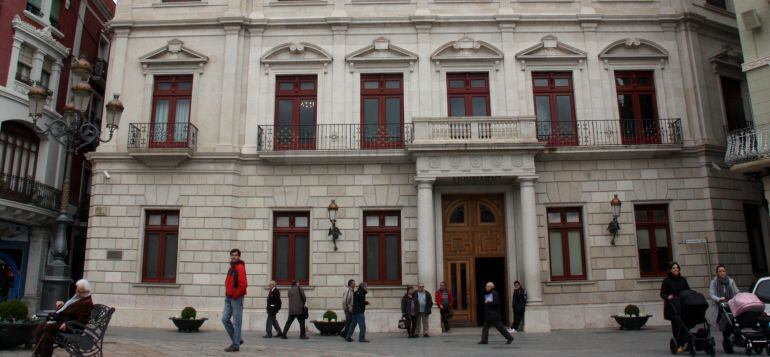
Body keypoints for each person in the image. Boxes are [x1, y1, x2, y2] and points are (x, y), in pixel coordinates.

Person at [33, 279, 94, 357]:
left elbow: (82, 320)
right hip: (65, 321)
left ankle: (44, 354)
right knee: (42, 326)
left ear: (85, 292)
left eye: (79, 291)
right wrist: (63, 305)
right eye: (76, 289)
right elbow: (72, 309)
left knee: (48, 327)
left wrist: (67, 325)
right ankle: (39, 353)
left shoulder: (86, 303)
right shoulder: (80, 296)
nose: (76, 292)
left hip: (72, 327)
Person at [660, 261, 690, 353]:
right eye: (673, 268)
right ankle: (679, 343)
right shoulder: (666, 281)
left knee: (685, 323)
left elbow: (688, 290)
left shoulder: (683, 280)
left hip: (683, 305)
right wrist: (668, 297)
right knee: (676, 325)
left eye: (677, 267)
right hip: (673, 306)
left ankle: (686, 342)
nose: (675, 269)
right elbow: (662, 293)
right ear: (670, 270)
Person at [222, 249, 247, 352]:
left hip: (236, 297)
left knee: (237, 321)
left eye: (236, 255)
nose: (234, 257)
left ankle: (235, 345)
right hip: (228, 297)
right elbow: (228, 282)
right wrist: (228, 293)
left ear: (239, 256)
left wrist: (236, 294)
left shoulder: (240, 267)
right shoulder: (231, 268)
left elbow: (243, 284)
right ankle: (238, 339)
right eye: (232, 255)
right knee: (224, 319)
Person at [709, 264, 739, 340]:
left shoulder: (731, 281)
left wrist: (736, 298)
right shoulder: (714, 282)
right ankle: (726, 339)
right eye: (720, 271)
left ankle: (732, 338)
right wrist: (719, 299)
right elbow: (711, 295)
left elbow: (736, 292)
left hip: (731, 305)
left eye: (723, 271)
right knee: (724, 323)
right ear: (717, 273)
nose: (722, 273)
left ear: (725, 272)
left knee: (732, 322)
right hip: (720, 306)